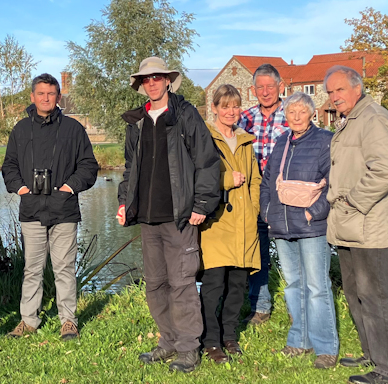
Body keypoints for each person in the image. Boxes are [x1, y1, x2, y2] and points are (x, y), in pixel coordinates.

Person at [116, 57, 220, 373]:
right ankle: (169, 342)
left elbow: (207, 162)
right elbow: (130, 168)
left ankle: (189, 349)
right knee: (155, 284)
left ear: (167, 80)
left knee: (183, 283)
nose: (153, 82)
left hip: (180, 216)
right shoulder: (137, 123)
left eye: (158, 77)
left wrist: (202, 204)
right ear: (141, 85)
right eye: (147, 79)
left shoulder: (185, 115)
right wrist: (124, 202)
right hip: (147, 218)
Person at [324, 65, 388, 384]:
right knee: (356, 292)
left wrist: (353, 200)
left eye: (339, 90)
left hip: (367, 223)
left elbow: (385, 170)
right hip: (348, 224)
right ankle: (373, 355)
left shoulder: (373, 118)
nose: (334, 97)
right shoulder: (351, 120)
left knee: (376, 295)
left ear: (357, 88)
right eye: (330, 92)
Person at [3, 73, 99, 342]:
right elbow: (9, 165)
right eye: (41, 93)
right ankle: (28, 320)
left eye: (51, 94)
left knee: (64, 268)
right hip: (31, 210)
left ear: (58, 97)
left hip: (64, 209)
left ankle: (68, 320)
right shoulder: (21, 130)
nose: (46, 98)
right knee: (32, 269)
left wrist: (69, 188)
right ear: (32, 97)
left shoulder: (73, 129)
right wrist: (21, 189)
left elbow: (89, 166)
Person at [260, 92, 339, 369]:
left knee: (317, 286)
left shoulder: (324, 142)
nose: (295, 117)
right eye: (291, 112)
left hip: (310, 225)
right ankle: (299, 341)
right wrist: (267, 213)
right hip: (281, 225)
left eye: (301, 112)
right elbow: (268, 180)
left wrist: (313, 212)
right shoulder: (281, 143)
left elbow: (333, 182)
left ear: (312, 114)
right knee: (294, 285)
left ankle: (325, 347)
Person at [199, 84, 260, 365]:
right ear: (214, 108)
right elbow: (196, 176)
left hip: (244, 223)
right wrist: (226, 181)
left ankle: (230, 336)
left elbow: (255, 180)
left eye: (235, 106)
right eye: (225, 106)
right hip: (217, 222)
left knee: (238, 284)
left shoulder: (246, 140)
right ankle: (210, 341)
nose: (231, 112)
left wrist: (254, 208)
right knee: (213, 285)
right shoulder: (205, 138)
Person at [238, 64, 290, 325]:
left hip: (286, 195)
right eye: (260, 87)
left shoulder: (293, 114)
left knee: (291, 250)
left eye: (271, 86)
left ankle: (296, 307)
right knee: (257, 253)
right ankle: (260, 306)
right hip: (254, 195)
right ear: (253, 89)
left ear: (281, 87)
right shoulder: (244, 119)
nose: (266, 92)